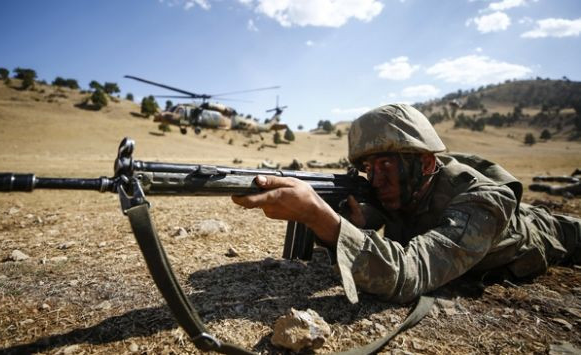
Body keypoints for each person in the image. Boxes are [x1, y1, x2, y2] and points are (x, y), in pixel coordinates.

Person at [232, 103, 581, 304]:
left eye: (386, 165)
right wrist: (356, 222)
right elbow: (382, 221)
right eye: (368, 167)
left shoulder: (484, 201)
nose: (375, 179)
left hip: (553, 234)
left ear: (427, 164)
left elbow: (411, 273)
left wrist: (321, 218)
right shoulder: (403, 189)